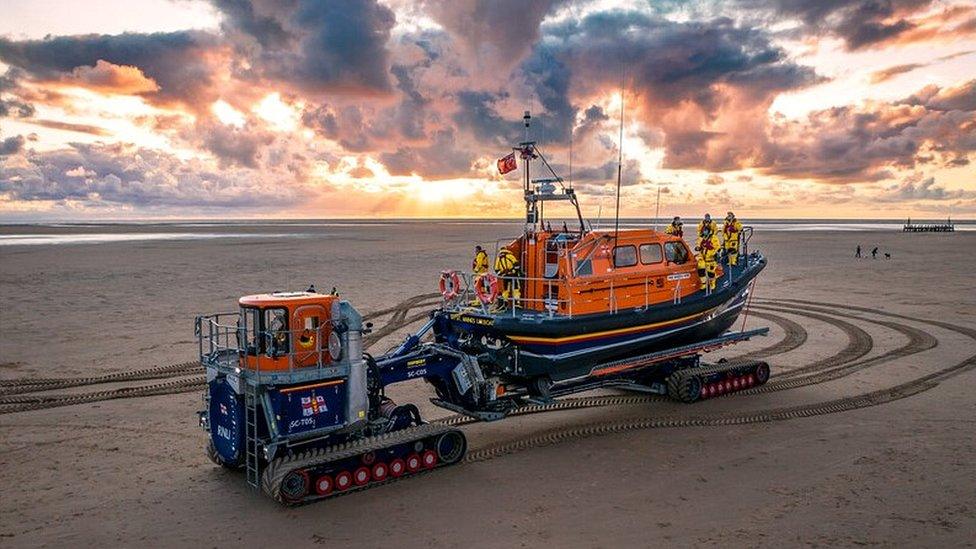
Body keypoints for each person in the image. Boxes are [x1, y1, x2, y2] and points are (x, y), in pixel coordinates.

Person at [696, 225, 721, 292]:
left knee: (711, 273)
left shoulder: (714, 238)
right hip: (702, 257)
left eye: (706, 230)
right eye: (704, 230)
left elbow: (717, 247)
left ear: (709, 231)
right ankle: (704, 284)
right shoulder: (701, 238)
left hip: (710, 258)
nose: (705, 232)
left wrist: (711, 247)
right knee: (701, 270)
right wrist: (698, 247)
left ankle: (712, 284)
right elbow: (698, 244)